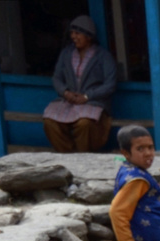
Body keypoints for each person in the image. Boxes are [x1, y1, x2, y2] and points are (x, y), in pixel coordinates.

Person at [43, 16, 118, 155]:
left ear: (89, 36)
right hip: (68, 101)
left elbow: (110, 84)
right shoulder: (66, 53)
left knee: (85, 124)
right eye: (72, 33)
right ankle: (68, 155)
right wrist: (65, 92)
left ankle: (83, 156)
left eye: (78, 34)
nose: (73, 37)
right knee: (50, 122)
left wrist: (87, 96)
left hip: (93, 102)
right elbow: (57, 77)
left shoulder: (103, 56)